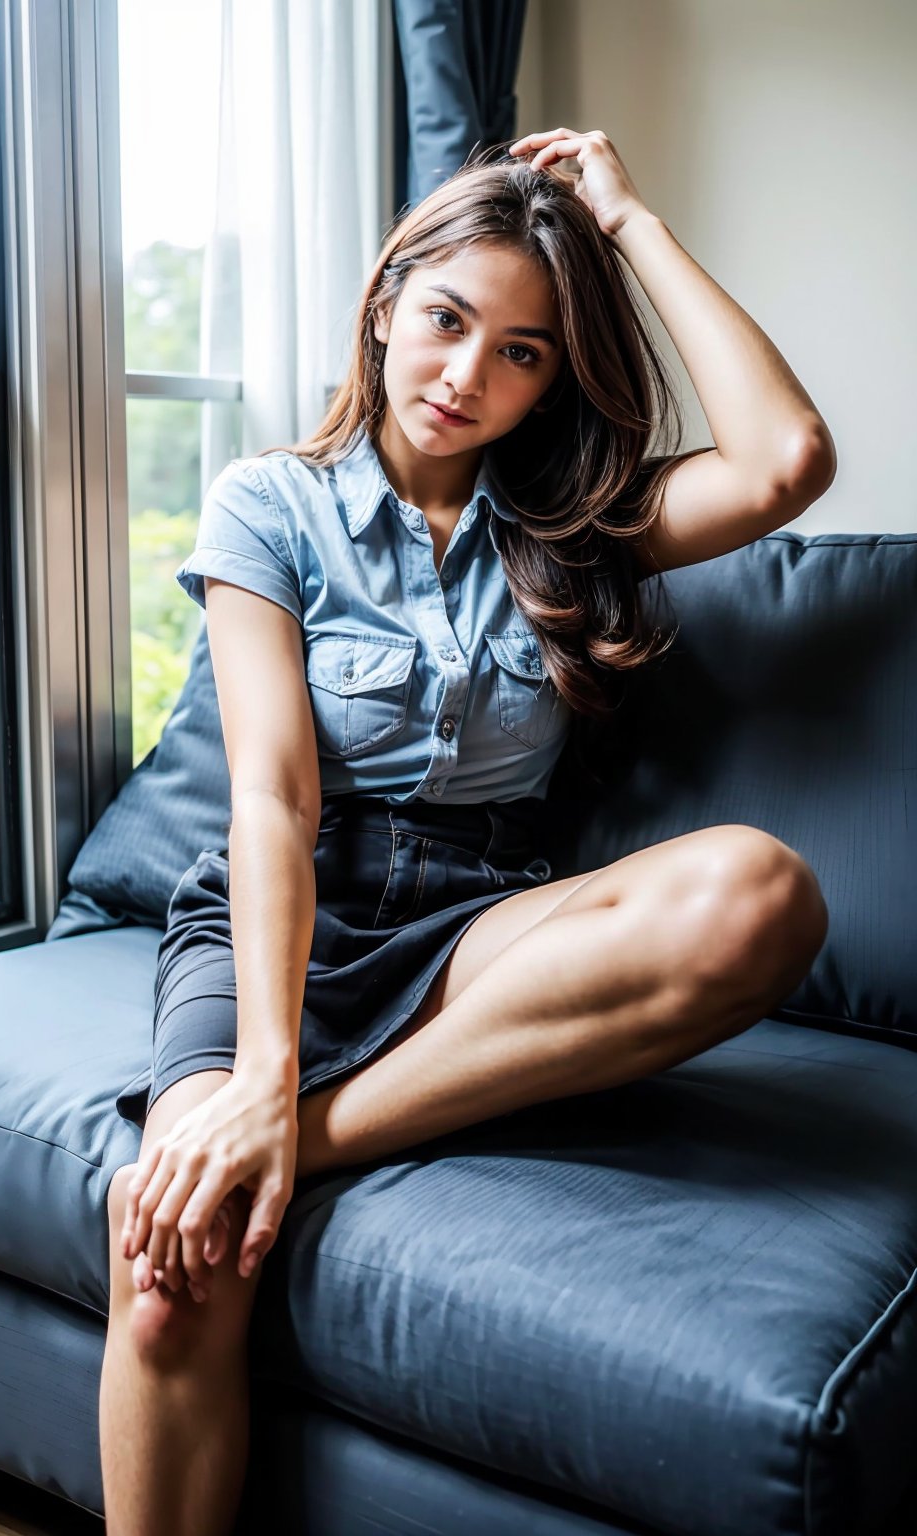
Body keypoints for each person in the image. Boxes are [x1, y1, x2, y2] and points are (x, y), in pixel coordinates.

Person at [98, 128, 834, 1535]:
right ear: (386, 303)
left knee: (761, 893)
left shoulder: (575, 521)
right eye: (446, 321)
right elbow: (274, 797)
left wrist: (624, 219)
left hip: (483, 923)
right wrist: (258, 1064)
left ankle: (303, 1144)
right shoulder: (274, 505)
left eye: (522, 353)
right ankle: (261, 1131)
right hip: (284, 915)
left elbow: (789, 459)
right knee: (172, 1258)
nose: (465, 379)